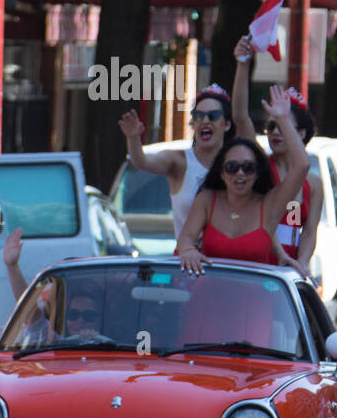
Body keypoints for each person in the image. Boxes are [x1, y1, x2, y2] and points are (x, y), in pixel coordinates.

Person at [178, 86, 308, 275]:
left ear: (257, 173)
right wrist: (188, 251)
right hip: (207, 299)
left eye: (248, 167)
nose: (240, 173)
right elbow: (185, 238)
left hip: (257, 302)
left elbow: (302, 165)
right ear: (221, 173)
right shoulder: (207, 199)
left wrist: (283, 120)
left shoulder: (270, 204)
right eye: (231, 167)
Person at [230, 35, 322, 275]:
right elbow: (240, 117)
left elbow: (309, 231)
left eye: (283, 125)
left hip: (289, 272)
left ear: (301, 133)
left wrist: (300, 264)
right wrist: (242, 64)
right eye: (270, 126)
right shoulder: (256, 167)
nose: (275, 132)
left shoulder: (314, 183)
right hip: (257, 265)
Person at [118, 84, 234, 240]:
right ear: (193, 123)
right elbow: (142, 162)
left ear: (226, 124)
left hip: (227, 262)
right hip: (188, 260)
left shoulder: (239, 165)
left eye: (213, 116)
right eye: (199, 116)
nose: (205, 121)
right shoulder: (179, 160)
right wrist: (133, 138)